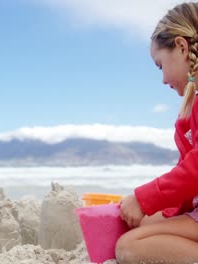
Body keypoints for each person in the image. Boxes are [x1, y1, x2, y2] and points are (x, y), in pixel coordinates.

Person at [115, 2, 198, 263]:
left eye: (160, 65)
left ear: (182, 47)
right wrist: (160, 208)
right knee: (146, 224)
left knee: (130, 246)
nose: (162, 79)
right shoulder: (191, 108)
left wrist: (144, 198)